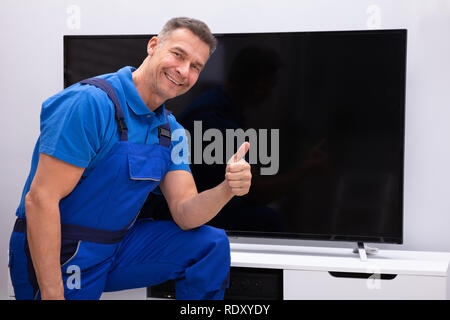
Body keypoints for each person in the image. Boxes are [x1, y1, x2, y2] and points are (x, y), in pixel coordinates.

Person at [8, 17, 252, 300]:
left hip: (115, 248)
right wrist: (53, 294)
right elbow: (40, 200)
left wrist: (227, 188)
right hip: (62, 250)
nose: (184, 71)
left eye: (195, 66)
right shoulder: (90, 104)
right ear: (153, 46)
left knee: (209, 244)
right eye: (178, 54)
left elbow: (186, 214)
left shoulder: (171, 131)